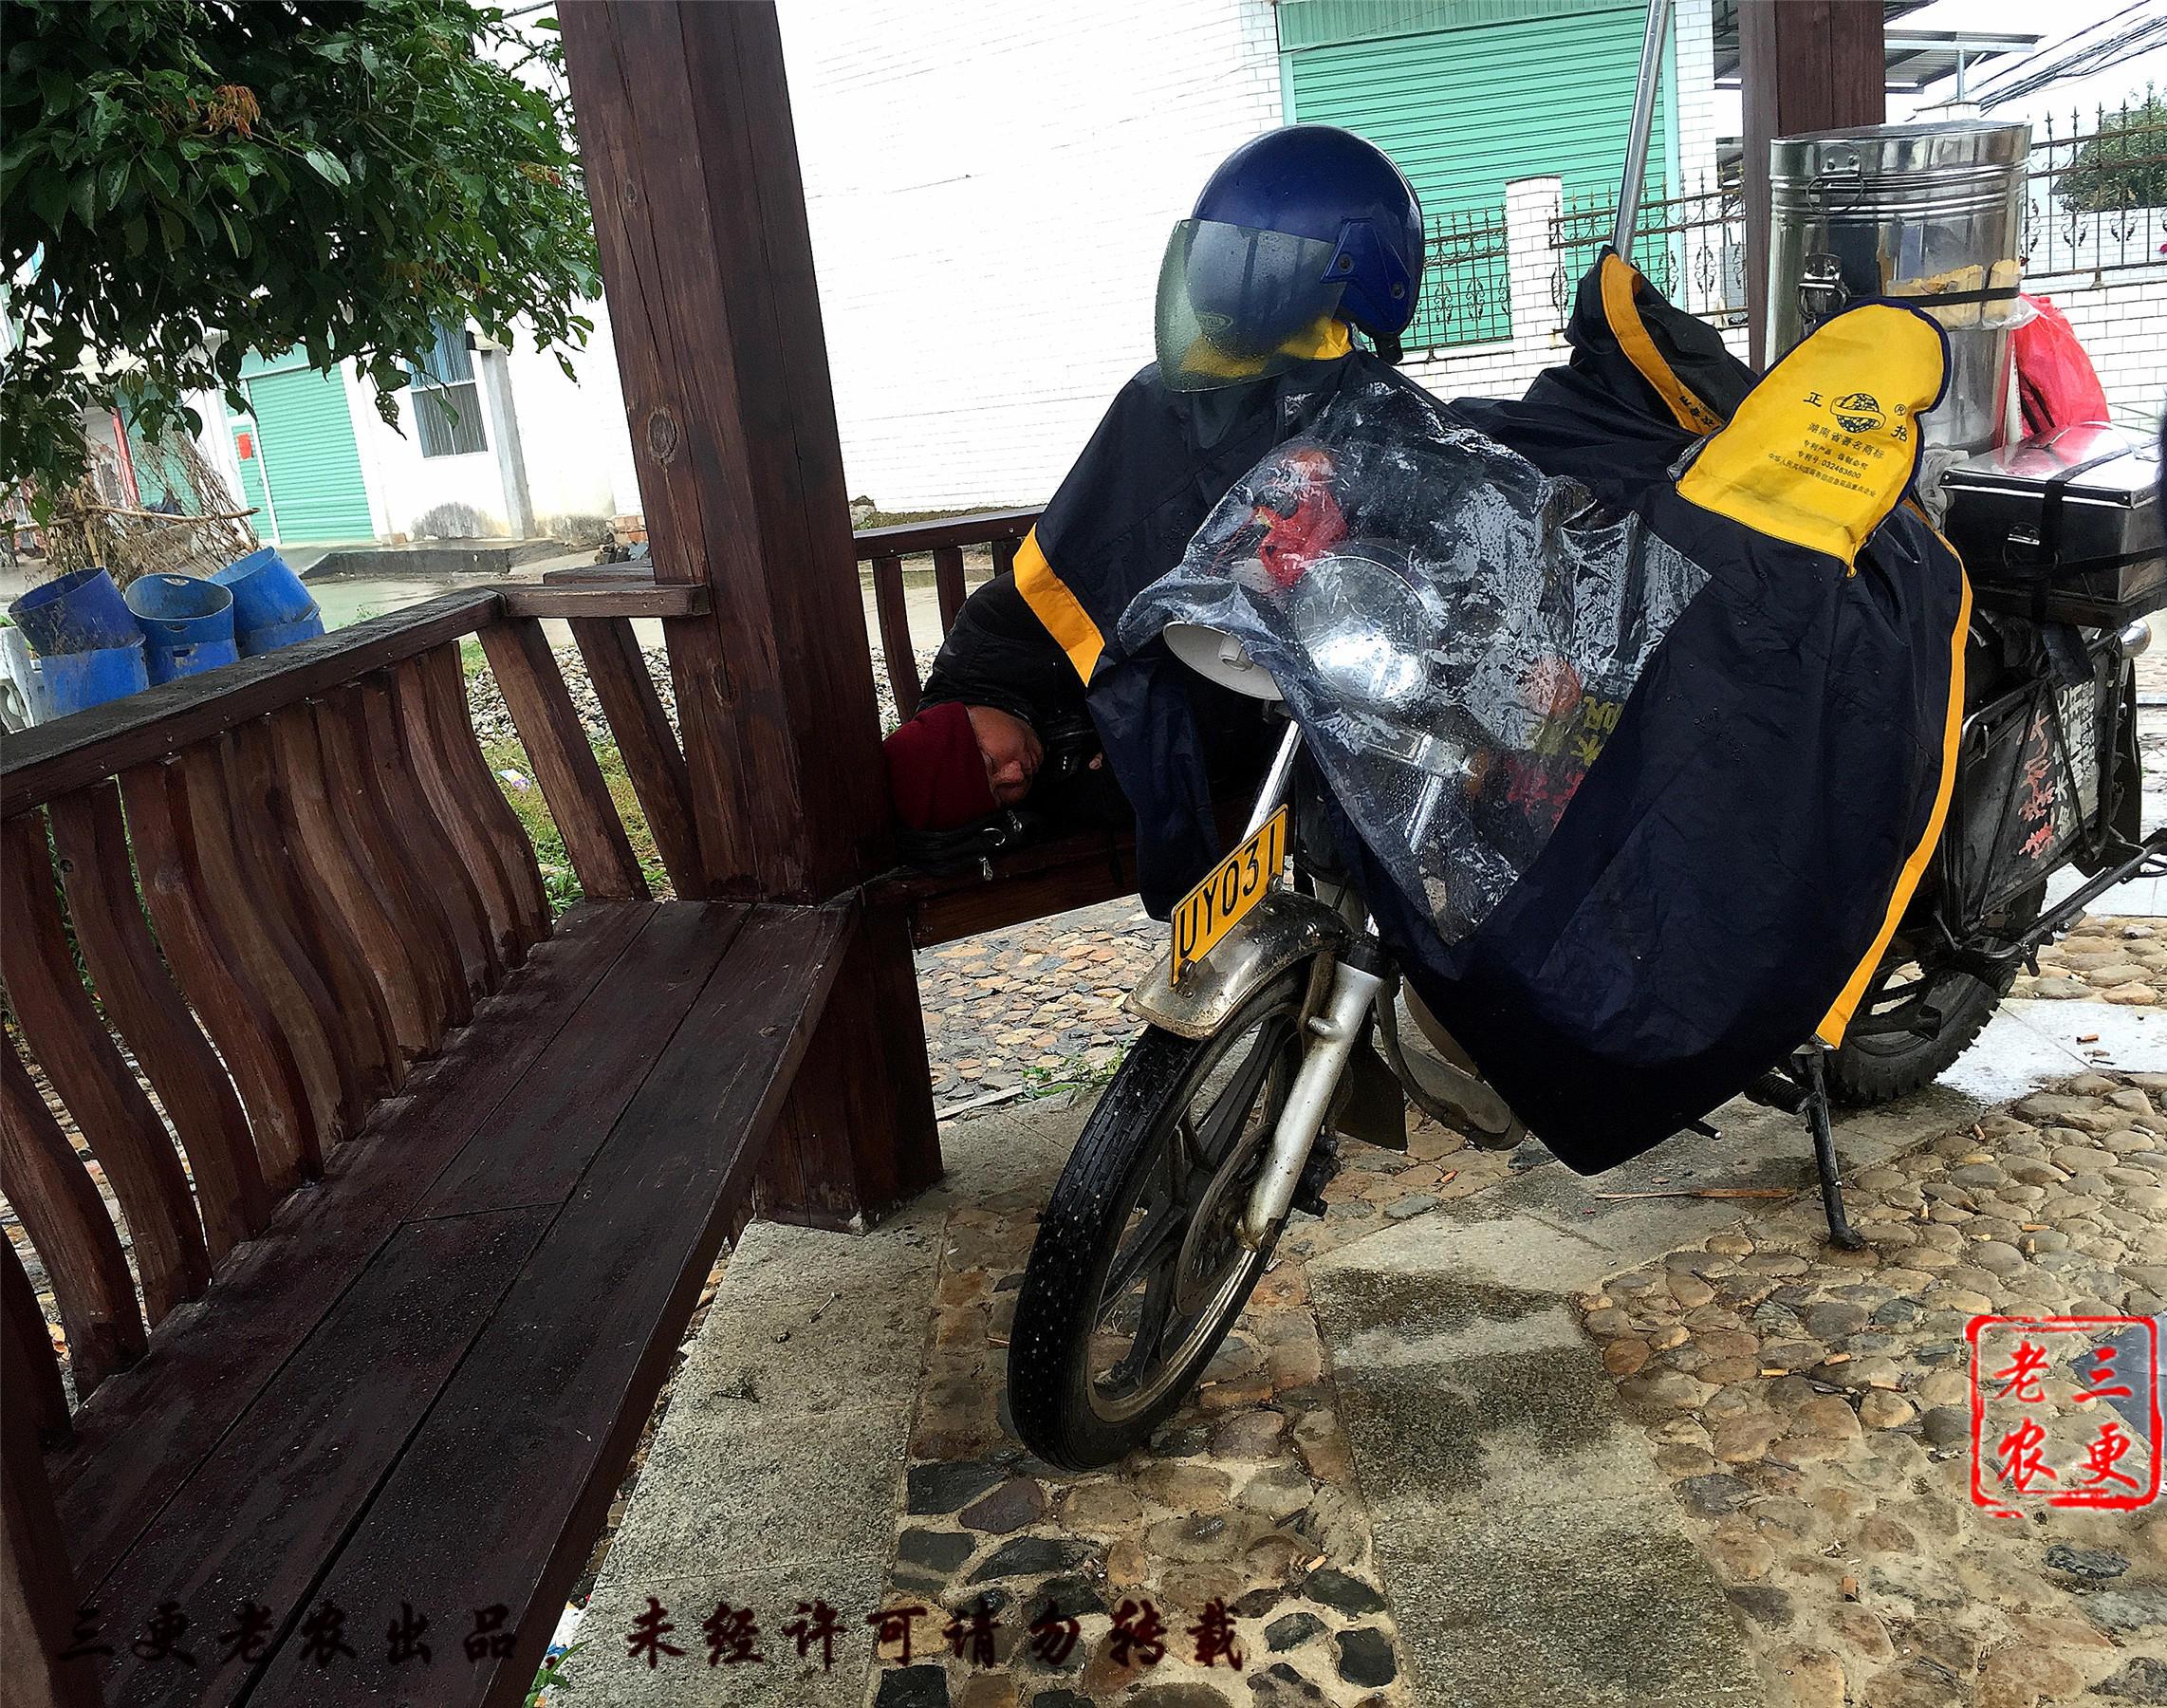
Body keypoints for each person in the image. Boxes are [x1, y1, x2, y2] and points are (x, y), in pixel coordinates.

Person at [883, 123, 1430, 911]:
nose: (1011, 775)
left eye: (986, 762)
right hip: (1247, 704)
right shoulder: (1164, 400)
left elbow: (1115, 560)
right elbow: (1124, 581)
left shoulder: (1001, 639)